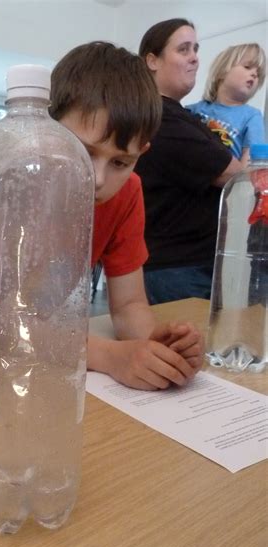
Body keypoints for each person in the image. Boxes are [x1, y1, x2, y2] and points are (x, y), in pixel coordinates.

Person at [50, 41, 204, 390]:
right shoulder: (13, 187)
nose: (98, 179)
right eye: (82, 151)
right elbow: (7, 321)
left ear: (142, 153)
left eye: (120, 162)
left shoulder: (127, 192)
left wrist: (156, 346)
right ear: (47, 126)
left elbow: (129, 304)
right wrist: (110, 356)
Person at [135, 19, 243, 305]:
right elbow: (235, 176)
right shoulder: (161, 119)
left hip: (188, 266)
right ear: (152, 60)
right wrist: (250, 161)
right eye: (183, 49)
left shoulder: (185, 117)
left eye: (195, 48)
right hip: (176, 270)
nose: (195, 57)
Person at [187, 43, 266, 166]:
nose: (254, 74)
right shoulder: (195, 109)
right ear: (222, 72)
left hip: (224, 182)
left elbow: (250, 159)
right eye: (247, 67)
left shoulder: (252, 116)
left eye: (259, 74)